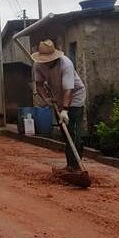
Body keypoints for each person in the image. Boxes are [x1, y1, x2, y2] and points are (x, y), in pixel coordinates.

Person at [32, 39, 86, 170]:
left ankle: (77, 166)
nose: (46, 61)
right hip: (57, 99)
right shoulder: (38, 65)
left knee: (74, 132)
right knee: (65, 133)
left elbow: (69, 89)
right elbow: (38, 85)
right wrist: (46, 99)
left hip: (75, 97)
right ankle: (70, 166)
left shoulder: (65, 64)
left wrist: (65, 110)